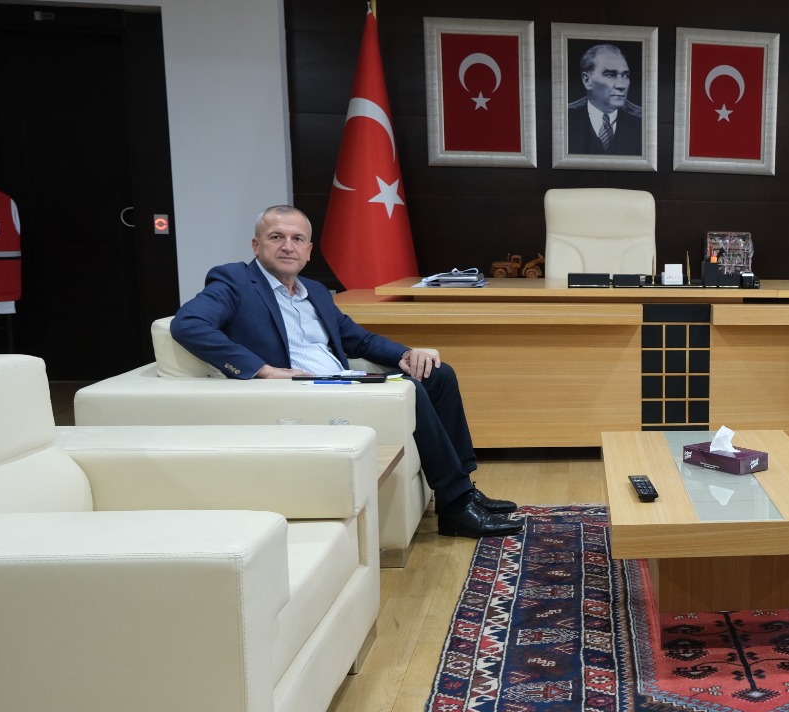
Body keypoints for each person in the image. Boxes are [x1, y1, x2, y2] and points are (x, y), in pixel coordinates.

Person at [171, 205, 524, 539]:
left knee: (437, 373)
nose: (287, 246)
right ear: (256, 245)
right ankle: (457, 508)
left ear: (308, 250)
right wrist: (261, 370)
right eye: (276, 237)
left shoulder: (315, 292)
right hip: (299, 393)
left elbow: (358, 339)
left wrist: (405, 354)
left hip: (339, 384)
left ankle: (463, 489)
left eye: (297, 239)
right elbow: (188, 324)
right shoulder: (233, 281)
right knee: (410, 391)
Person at [566, 43, 643, 156]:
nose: (621, 85)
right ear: (587, 80)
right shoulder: (565, 121)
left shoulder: (642, 124)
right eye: (610, 75)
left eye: (625, 75)